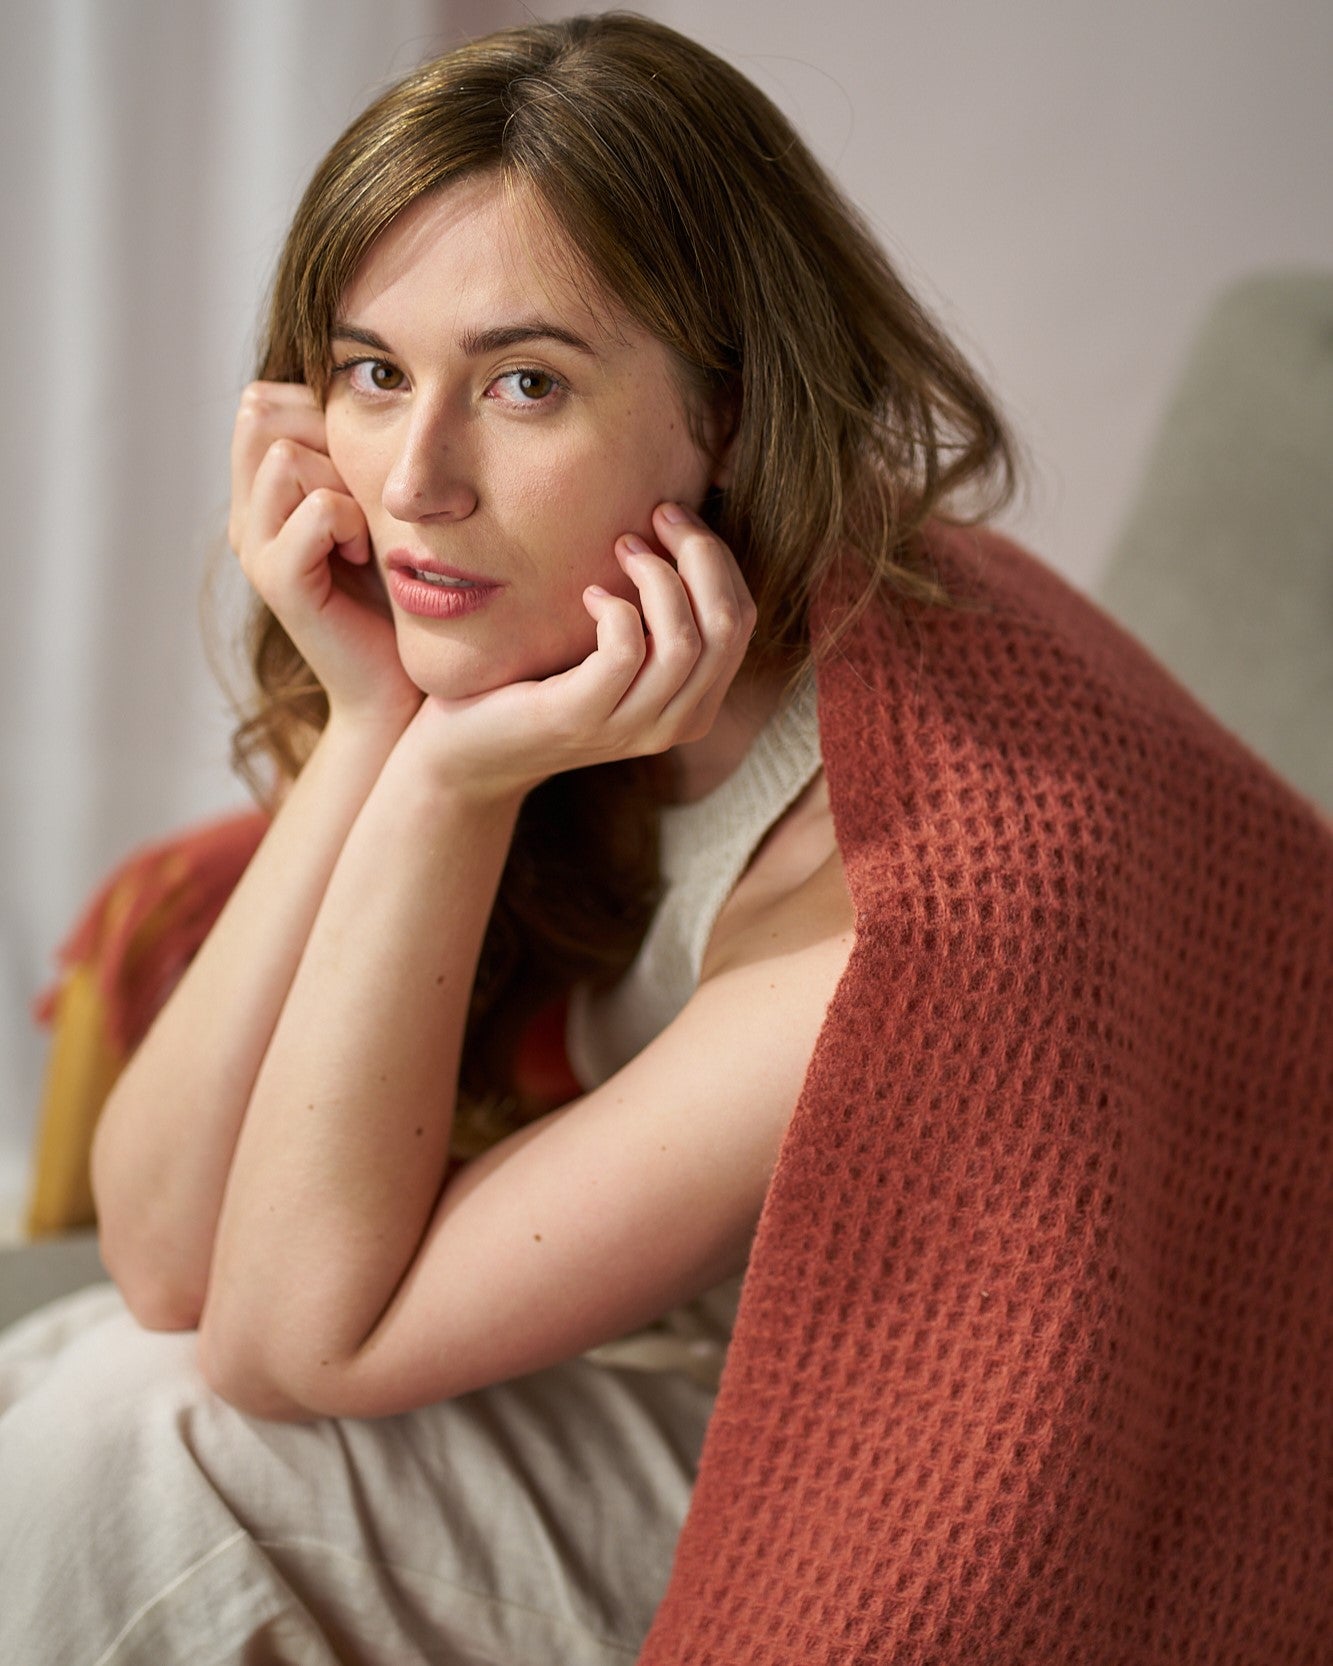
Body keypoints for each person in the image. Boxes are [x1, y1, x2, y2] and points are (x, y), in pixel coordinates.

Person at [2, 13, 1330, 1666]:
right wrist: (369, 732)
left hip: (918, 1469)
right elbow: (163, 1250)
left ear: (729, 411)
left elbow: (286, 1344)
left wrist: (447, 783)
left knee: (137, 1458)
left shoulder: (919, 882)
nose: (413, 480)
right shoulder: (579, 631)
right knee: (79, 1386)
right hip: (713, 1366)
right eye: (373, 372)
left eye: (526, 383)